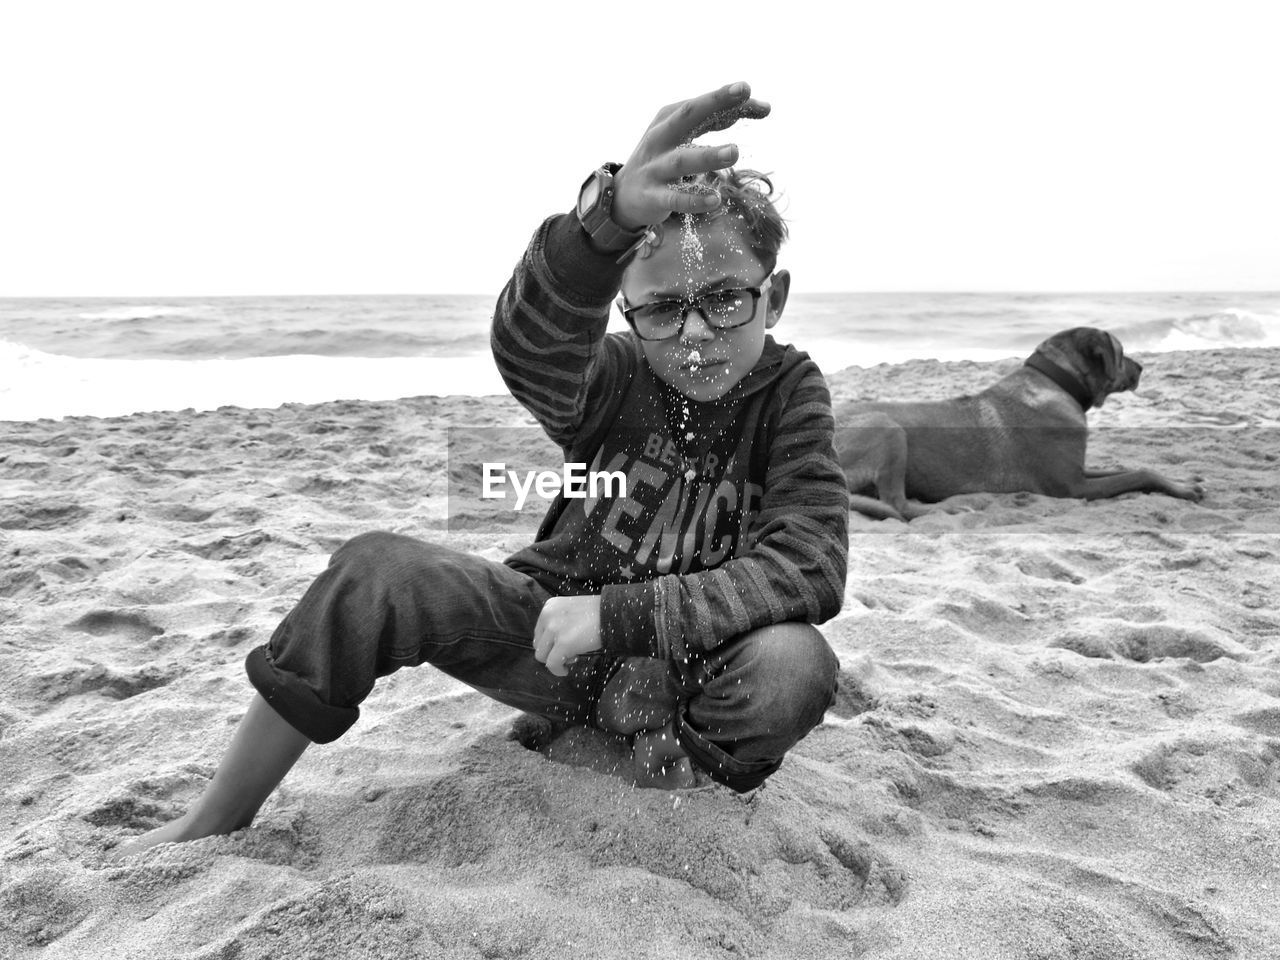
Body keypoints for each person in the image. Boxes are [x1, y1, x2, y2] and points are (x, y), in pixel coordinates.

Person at [115, 82, 848, 858]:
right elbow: (532, 350)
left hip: (694, 672)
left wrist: (625, 614)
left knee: (793, 664)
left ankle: (659, 769)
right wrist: (604, 226)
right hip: (555, 642)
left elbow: (808, 563)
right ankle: (218, 814)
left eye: (726, 299)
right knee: (374, 571)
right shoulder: (619, 377)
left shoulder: (791, 393)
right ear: (627, 310)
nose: (695, 334)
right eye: (663, 308)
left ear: (775, 297)